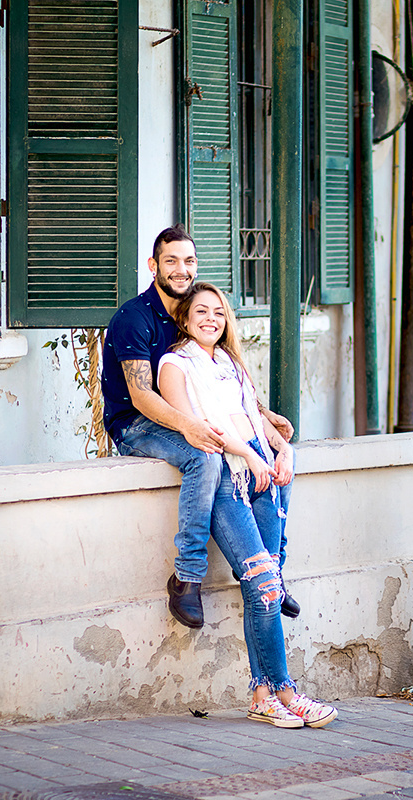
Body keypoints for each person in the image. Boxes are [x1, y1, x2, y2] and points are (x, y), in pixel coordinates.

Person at [157, 281, 336, 728]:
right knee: (265, 585)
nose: (211, 319)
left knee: (264, 588)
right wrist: (251, 456)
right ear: (184, 318)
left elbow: (254, 418)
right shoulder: (174, 365)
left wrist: (283, 451)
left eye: (219, 312)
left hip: (262, 472)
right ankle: (286, 692)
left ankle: (262, 695)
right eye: (201, 311)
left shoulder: (232, 364)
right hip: (228, 478)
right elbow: (199, 428)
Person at [101, 225, 298, 629]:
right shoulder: (134, 318)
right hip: (136, 423)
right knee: (204, 458)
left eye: (188, 261)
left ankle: (272, 573)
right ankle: (187, 578)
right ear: (154, 265)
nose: (181, 269)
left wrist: (261, 413)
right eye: (171, 260)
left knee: (271, 457)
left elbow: (215, 382)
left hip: (182, 416)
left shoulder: (191, 313)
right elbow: (141, 396)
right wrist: (190, 427)